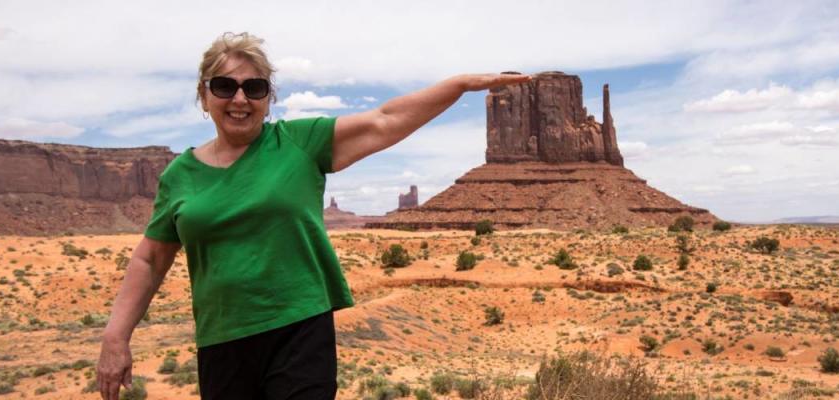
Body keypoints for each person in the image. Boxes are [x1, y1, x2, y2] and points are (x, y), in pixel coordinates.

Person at [96, 32, 529, 400]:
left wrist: (459, 85)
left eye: (256, 88)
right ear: (204, 94)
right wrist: (115, 338)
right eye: (225, 86)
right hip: (221, 342)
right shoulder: (180, 174)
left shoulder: (299, 143)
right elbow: (150, 258)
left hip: (299, 334)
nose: (240, 99)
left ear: (269, 97)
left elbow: (385, 119)